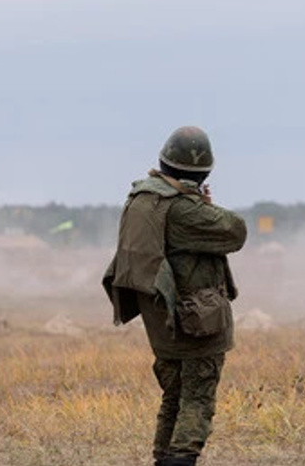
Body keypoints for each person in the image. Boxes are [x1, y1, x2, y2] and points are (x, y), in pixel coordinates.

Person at [103, 126, 248, 466]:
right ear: (204, 172)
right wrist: (201, 203)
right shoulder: (183, 210)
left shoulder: (141, 199)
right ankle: (181, 459)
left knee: (173, 399)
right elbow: (235, 231)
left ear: (164, 162)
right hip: (195, 320)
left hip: (161, 320)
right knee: (197, 398)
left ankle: (163, 459)